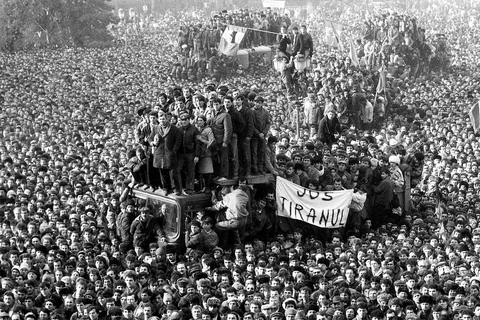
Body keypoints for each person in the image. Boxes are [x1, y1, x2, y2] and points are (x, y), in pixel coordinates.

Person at [206, 185, 249, 249]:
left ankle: (214, 245)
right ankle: (238, 247)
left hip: (232, 220)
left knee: (218, 226)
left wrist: (213, 196)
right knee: (235, 235)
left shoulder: (230, 196)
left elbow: (217, 205)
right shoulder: (245, 196)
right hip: (243, 220)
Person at [209, 98, 233, 181]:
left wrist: (225, 141)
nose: (215, 106)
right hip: (215, 141)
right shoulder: (213, 113)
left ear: (220, 104)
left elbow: (228, 130)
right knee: (216, 159)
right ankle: (218, 175)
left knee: (224, 159)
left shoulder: (225, 115)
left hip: (222, 140)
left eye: (217, 104)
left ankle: (225, 175)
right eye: (214, 104)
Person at [177, 112, 200, 195]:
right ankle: (179, 188)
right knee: (178, 170)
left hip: (191, 154)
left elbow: (198, 143)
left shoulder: (194, 129)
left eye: (186, 119)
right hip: (180, 154)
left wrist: (197, 155)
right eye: (182, 120)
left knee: (190, 171)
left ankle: (189, 188)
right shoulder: (179, 130)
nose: (184, 121)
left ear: (189, 120)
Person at [195, 115, 215, 193]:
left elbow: (211, 142)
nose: (199, 122)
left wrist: (201, 139)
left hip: (207, 153)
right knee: (202, 172)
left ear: (204, 121)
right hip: (200, 153)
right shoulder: (198, 129)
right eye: (198, 120)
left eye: (201, 120)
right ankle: (204, 187)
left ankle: (208, 187)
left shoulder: (208, 130)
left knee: (208, 171)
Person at [251, 96, 271, 175]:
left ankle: (260, 168)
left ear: (262, 103)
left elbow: (268, 123)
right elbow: (251, 124)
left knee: (261, 152)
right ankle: (255, 169)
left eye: (259, 103)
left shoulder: (265, 112)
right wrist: (258, 133)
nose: (257, 104)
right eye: (256, 102)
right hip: (255, 136)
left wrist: (264, 133)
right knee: (254, 152)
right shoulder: (251, 111)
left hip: (262, 135)